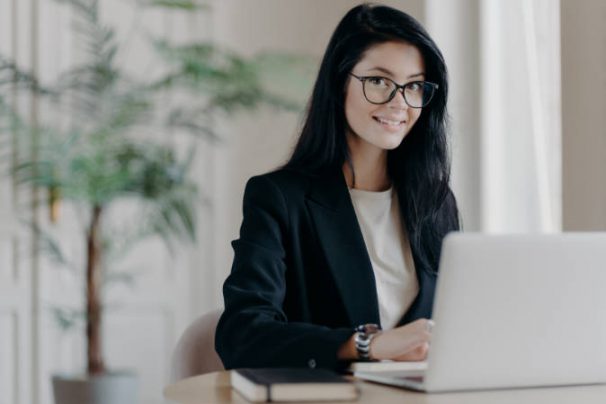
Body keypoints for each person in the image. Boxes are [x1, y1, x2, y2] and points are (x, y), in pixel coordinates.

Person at [215, 3, 460, 371]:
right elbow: (242, 334)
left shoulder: (437, 203)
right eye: (378, 80)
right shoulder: (280, 198)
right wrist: (367, 344)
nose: (399, 102)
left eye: (414, 86)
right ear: (339, 81)